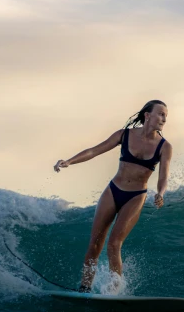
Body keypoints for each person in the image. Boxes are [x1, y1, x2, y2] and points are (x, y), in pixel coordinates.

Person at [54, 100, 172, 292]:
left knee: (114, 243)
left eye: (166, 116)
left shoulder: (164, 147)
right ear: (147, 115)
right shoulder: (124, 135)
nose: (164, 119)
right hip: (113, 190)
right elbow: (94, 150)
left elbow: (163, 176)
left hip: (135, 196)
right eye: (160, 114)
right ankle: (85, 287)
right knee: (95, 243)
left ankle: (114, 290)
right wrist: (70, 161)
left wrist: (160, 193)